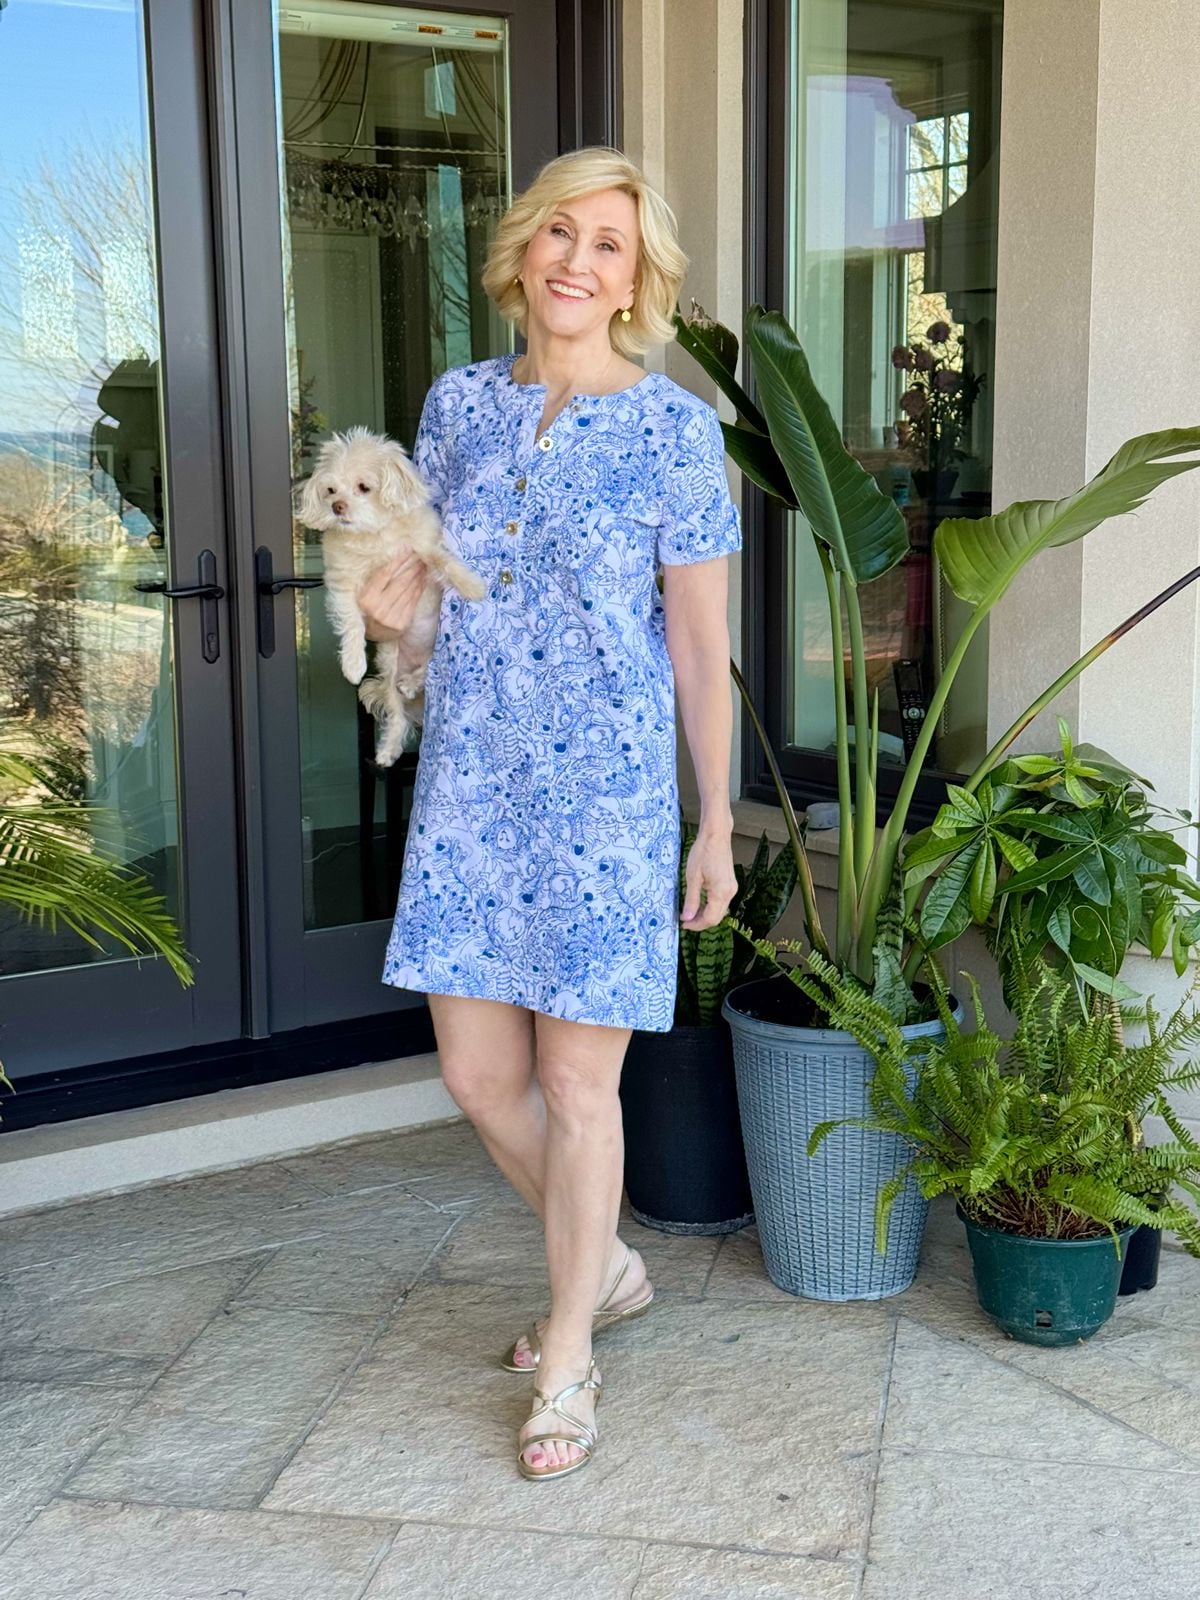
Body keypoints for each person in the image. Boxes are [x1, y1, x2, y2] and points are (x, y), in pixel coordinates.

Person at [363, 146, 741, 1482]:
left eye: (611, 247)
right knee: (478, 1076)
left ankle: (570, 1345)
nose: (579, 261)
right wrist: (383, 620)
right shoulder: (457, 407)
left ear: (638, 282)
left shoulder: (674, 431)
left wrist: (714, 824)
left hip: (608, 801)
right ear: (523, 249)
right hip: (469, 788)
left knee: (581, 1089)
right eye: (561, 234)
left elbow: (700, 651)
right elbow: (410, 599)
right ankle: (613, 1264)